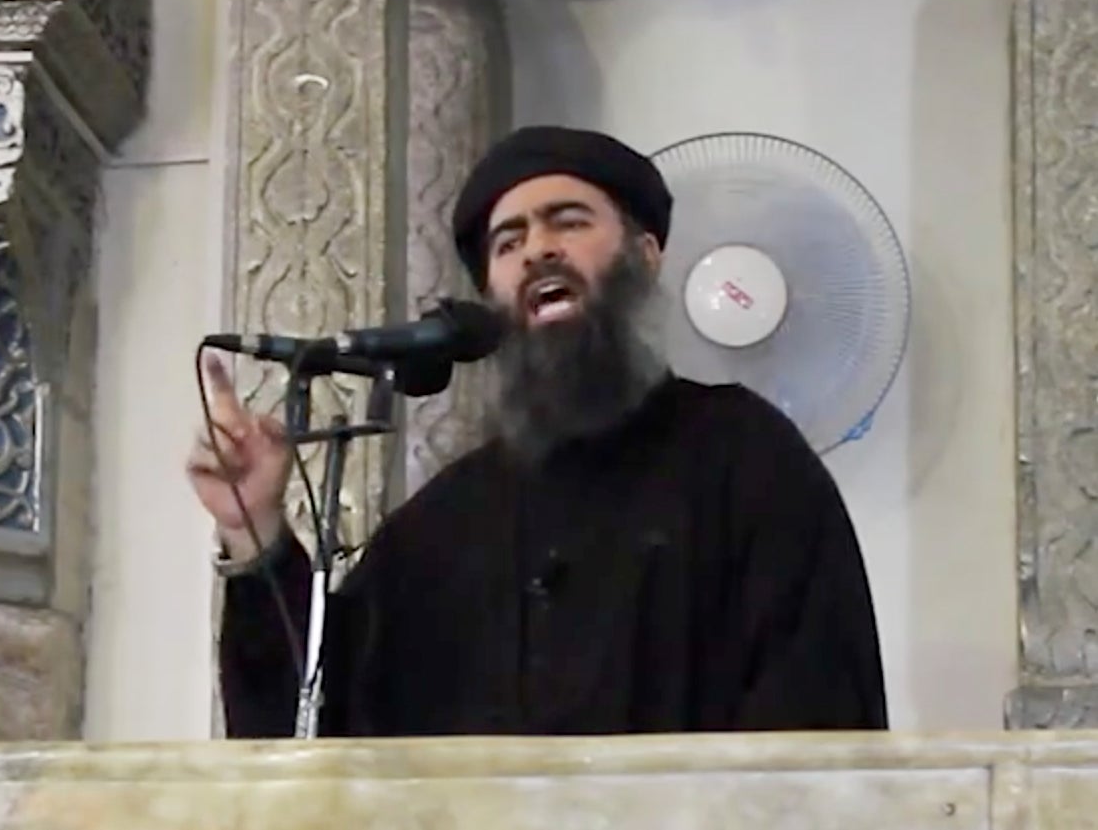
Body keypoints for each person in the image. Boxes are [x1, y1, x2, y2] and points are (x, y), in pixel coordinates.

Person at [187, 125, 888, 738]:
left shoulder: (747, 459)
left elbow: (820, 727)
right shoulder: (443, 524)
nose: (537, 250)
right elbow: (305, 733)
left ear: (644, 256)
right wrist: (256, 532)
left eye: (569, 222)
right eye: (509, 241)